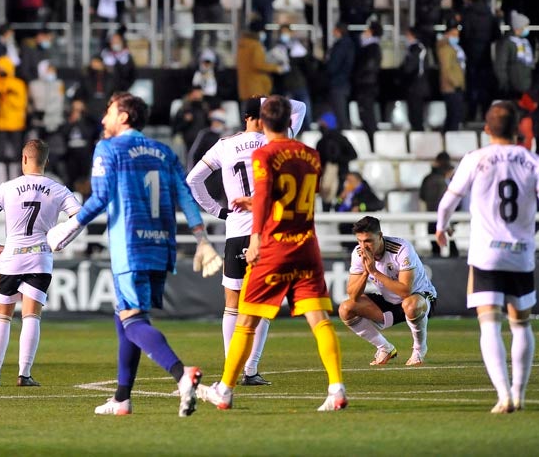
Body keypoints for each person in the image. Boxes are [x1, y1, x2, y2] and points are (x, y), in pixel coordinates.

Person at [47, 92, 217, 416]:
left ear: (123, 116)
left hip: (129, 245)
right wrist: (202, 239)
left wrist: (71, 226)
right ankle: (122, 398)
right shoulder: (164, 151)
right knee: (127, 314)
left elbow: (100, 197)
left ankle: (183, 376)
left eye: (109, 112)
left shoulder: (109, 148)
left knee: (132, 319)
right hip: (160, 243)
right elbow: (185, 194)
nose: (102, 119)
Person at [199, 96, 347, 413]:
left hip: (274, 246)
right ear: (290, 122)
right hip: (307, 244)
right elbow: (298, 194)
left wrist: (254, 239)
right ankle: (336, 388)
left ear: (263, 122)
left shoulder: (264, 153)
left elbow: (266, 197)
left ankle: (224, 389)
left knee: (246, 320)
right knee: (320, 320)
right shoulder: (309, 154)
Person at [436, 101, 539, 413]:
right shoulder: (533, 161)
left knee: (489, 324)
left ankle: (503, 395)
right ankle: (520, 395)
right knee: (521, 325)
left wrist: (441, 227)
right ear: (519, 129)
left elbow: (447, 202)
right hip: (521, 254)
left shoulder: (475, 159)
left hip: (486, 255)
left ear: (486, 129)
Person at [187, 97, 309, 386]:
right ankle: (251, 370)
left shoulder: (225, 145)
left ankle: (232, 366)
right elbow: (300, 107)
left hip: (237, 229)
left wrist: (218, 211)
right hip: (270, 231)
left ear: (244, 117)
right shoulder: (277, 140)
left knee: (232, 304)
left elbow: (193, 179)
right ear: (265, 114)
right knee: (264, 304)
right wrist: (267, 99)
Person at [0, 139, 82, 387]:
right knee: (31, 316)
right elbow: (80, 217)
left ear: (24, 159)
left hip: (11, 257)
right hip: (40, 256)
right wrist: (63, 239)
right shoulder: (58, 189)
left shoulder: (7, 187)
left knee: (2, 316)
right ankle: (24, 374)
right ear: (46, 161)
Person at [340, 216, 438, 367]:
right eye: (359, 241)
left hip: (420, 299)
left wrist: (374, 272)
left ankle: (419, 349)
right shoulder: (359, 253)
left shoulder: (401, 248)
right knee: (346, 309)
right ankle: (385, 348)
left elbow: (406, 291)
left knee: (410, 305)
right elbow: (353, 295)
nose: (363, 246)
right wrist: (366, 273)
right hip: (391, 303)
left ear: (380, 236)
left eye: (368, 241)